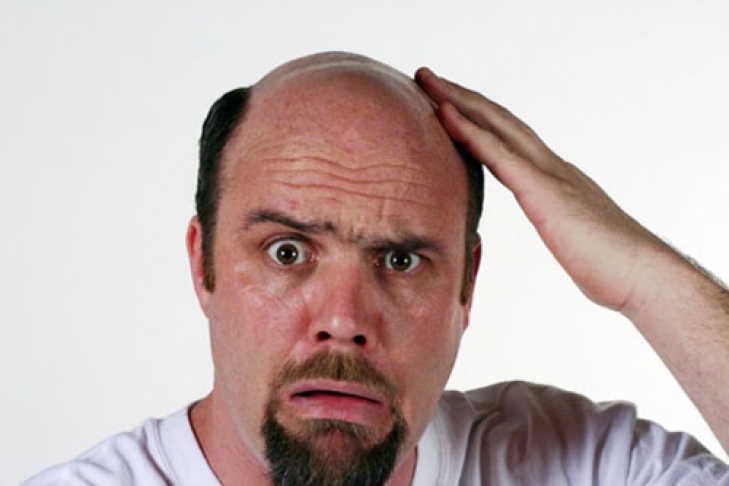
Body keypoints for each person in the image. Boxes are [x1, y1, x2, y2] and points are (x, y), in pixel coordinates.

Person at [21, 51, 729, 485]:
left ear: (466, 287)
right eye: (287, 252)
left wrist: (643, 275)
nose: (344, 320)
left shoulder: (582, 466)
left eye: (400, 259)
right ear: (201, 264)